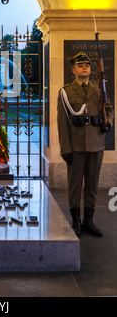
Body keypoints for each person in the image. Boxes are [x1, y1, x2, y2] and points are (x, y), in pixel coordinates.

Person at [57, 51, 114, 237]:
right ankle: (75, 220)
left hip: (96, 144)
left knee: (92, 185)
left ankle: (88, 221)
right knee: (74, 185)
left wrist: (109, 122)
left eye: (87, 66)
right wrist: (65, 148)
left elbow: (109, 109)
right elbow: (62, 122)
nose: (84, 68)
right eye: (80, 65)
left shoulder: (99, 89)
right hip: (76, 145)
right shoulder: (66, 92)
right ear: (74, 70)